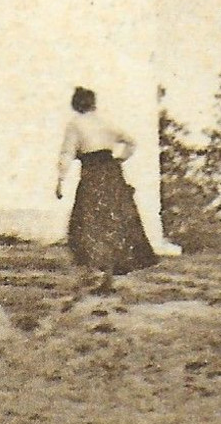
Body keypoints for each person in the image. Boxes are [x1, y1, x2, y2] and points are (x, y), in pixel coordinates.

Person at [55, 87, 157, 292]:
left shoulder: (75, 124)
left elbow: (67, 153)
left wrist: (60, 180)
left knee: (88, 221)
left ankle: (97, 276)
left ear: (76, 104)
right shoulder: (106, 122)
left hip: (92, 174)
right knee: (114, 221)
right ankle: (107, 277)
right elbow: (131, 142)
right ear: (93, 103)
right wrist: (121, 158)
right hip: (112, 174)